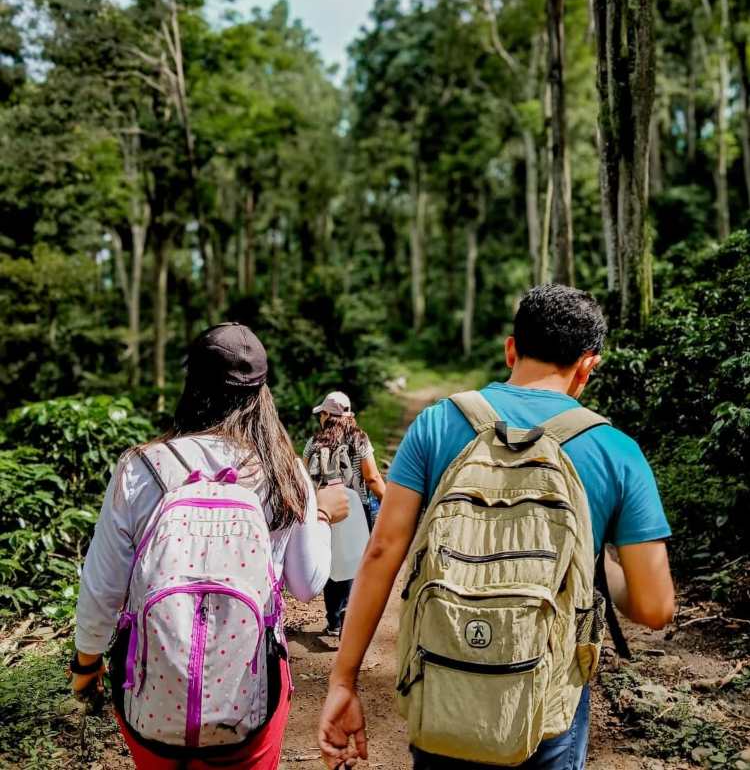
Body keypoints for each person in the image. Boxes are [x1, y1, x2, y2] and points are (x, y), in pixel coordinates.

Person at [318, 284, 675, 770]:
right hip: (545, 712)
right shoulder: (617, 452)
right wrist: (591, 562)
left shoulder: (437, 424)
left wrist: (344, 680)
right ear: (588, 365)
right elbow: (654, 608)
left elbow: (382, 552)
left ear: (511, 348)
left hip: (444, 686)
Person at [70, 322, 349, 770]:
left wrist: (86, 666)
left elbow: (102, 589)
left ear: (191, 384)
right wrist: (318, 514)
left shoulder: (140, 469)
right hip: (251, 688)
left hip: (153, 688)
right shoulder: (284, 470)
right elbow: (306, 583)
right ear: (261, 392)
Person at [303, 392, 386, 636]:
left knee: (332, 563)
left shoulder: (314, 442)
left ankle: (334, 621)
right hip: (356, 509)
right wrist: (390, 502)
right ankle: (349, 612)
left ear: (328, 415)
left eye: (322, 413)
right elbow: (372, 477)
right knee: (355, 560)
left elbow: (306, 479)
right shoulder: (359, 440)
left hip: (326, 510)